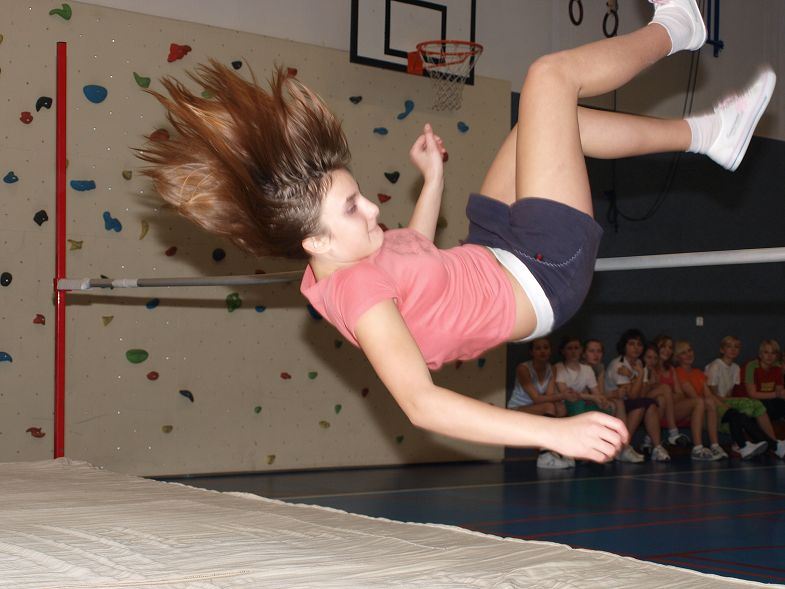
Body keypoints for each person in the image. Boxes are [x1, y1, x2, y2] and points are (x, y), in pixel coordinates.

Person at [138, 0, 775, 463]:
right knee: (549, 79)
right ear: (317, 242)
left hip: (490, 249)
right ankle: (680, 27)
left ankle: (708, 136)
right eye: (353, 207)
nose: (372, 210)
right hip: (541, 276)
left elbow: (415, 258)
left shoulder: (344, 262)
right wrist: (554, 432)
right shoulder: (357, 296)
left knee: (542, 126)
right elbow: (422, 403)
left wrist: (434, 180)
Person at [556, 337, 654, 462]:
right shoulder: (562, 368)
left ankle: (622, 446)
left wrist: (602, 398)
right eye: (592, 351)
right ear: (584, 353)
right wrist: (611, 394)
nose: (596, 355)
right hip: (571, 404)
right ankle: (595, 448)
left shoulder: (596, 368)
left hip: (587, 401)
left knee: (616, 404)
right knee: (606, 403)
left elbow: (599, 394)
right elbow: (571, 394)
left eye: (599, 351)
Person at [705, 336, 785, 458]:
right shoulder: (715, 366)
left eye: (736, 347)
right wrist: (728, 404)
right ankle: (770, 444)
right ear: (722, 349)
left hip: (728, 400)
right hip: (715, 401)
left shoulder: (736, 368)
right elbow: (713, 395)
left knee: (755, 407)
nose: (733, 349)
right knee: (750, 404)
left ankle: (772, 444)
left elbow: (730, 393)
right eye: (729, 346)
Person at [510, 337, 574, 469]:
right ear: (531, 352)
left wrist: (565, 395)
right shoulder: (523, 368)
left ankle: (560, 450)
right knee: (549, 406)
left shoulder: (552, 369)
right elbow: (536, 398)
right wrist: (562, 395)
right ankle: (545, 455)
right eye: (538, 348)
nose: (543, 351)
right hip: (517, 408)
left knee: (561, 408)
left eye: (546, 347)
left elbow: (549, 395)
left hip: (537, 407)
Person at [605, 330, 664, 462]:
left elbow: (641, 394)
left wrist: (633, 376)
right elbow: (633, 396)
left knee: (650, 404)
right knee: (640, 406)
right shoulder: (618, 364)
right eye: (632, 344)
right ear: (624, 346)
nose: (636, 348)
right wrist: (640, 375)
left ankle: (657, 447)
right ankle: (622, 446)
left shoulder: (639, 363)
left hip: (628, 402)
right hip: (615, 402)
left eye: (639, 344)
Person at [673, 340, 728, 460]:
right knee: (700, 401)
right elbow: (693, 396)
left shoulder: (698, 372)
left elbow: (709, 395)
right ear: (677, 357)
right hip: (681, 410)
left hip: (699, 409)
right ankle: (697, 449)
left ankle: (715, 446)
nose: (688, 354)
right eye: (683, 353)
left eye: (690, 350)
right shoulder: (678, 371)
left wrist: (726, 410)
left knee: (710, 402)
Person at [641, 343, 689, 449]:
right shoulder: (642, 369)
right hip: (641, 401)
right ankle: (673, 431)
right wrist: (651, 384)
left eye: (655, 358)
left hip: (656, 404)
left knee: (662, 399)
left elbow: (679, 394)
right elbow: (641, 393)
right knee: (665, 388)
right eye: (649, 357)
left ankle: (648, 440)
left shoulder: (655, 370)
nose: (652, 361)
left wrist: (668, 398)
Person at [742, 339, 785, 424]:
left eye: (773, 353)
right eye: (766, 352)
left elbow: (779, 390)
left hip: (769, 398)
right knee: (766, 406)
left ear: (776, 356)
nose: (770, 356)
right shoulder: (752, 366)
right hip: (749, 399)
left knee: (780, 404)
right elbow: (752, 394)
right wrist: (777, 394)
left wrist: (781, 393)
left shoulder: (777, 367)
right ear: (760, 354)